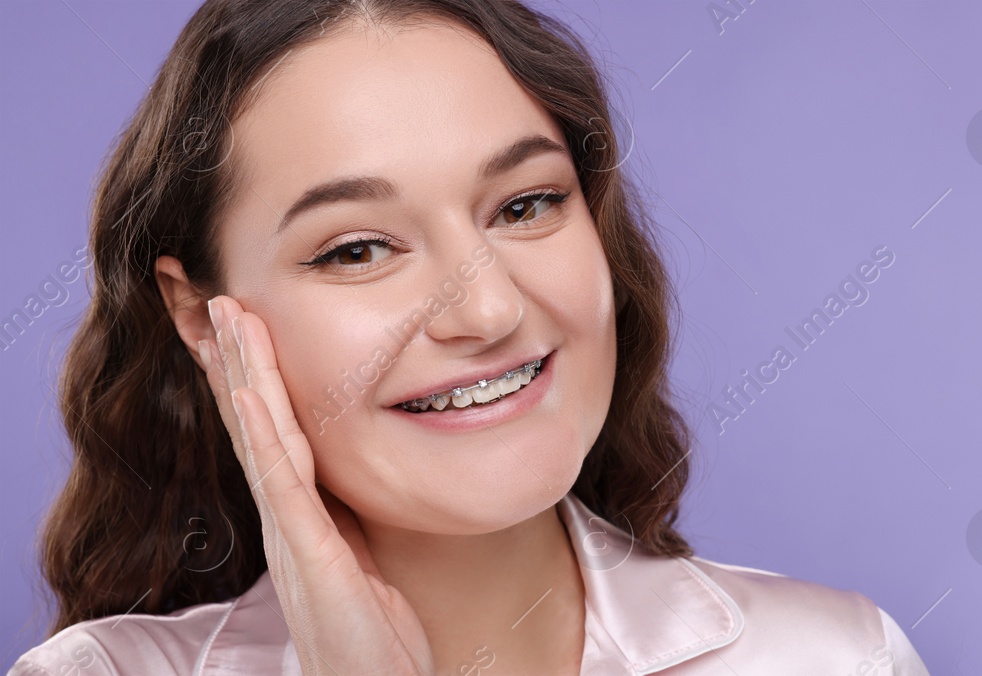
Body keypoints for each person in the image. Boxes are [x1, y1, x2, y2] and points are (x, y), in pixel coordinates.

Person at [8, 0, 928, 673]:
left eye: (525, 204)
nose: (488, 312)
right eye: (359, 248)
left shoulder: (831, 658)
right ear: (201, 316)